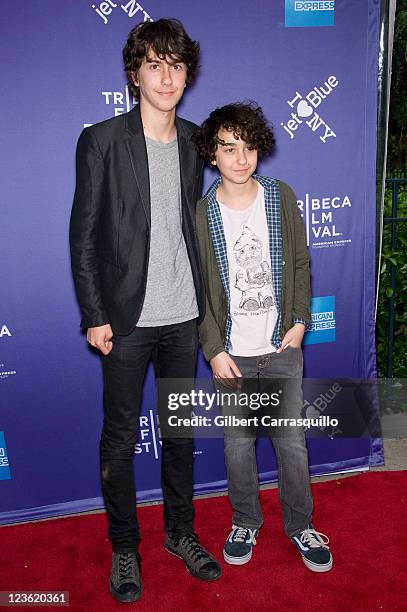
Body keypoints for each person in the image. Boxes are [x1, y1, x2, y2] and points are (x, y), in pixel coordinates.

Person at [69, 19, 221, 604]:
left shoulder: (192, 140)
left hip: (183, 316)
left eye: (177, 66)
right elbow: (83, 236)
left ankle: (181, 535)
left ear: (187, 76)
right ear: (135, 74)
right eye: (155, 65)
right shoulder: (102, 140)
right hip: (126, 321)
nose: (167, 76)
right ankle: (125, 547)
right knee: (119, 437)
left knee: (179, 435)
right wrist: (94, 313)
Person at [194, 102, 333, 572]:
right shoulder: (201, 213)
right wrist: (212, 349)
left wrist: (298, 324)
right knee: (237, 446)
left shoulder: (279, 195)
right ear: (212, 153)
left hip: (280, 349)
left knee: (291, 444)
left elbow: (299, 263)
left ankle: (301, 524)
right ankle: (245, 520)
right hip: (231, 355)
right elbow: (198, 289)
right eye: (229, 148)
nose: (241, 158)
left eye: (249, 147)